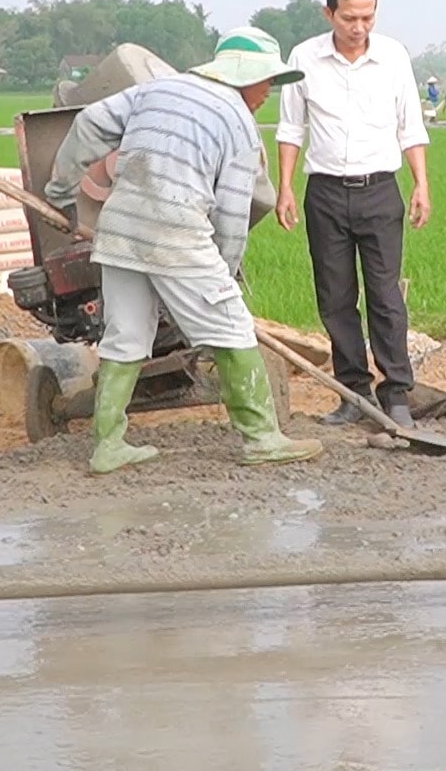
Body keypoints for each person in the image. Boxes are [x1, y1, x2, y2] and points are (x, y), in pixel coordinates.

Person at [44, 26, 324, 474]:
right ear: (243, 76)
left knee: (127, 335)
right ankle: (262, 437)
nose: (269, 92)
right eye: (267, 81)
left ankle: (108, 446)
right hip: (177, 231)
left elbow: (88, 124)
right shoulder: (239, 125)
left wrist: (59, 190)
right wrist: (225, 274)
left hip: (121, 228)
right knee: (231, 327)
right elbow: (232, 216)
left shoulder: (156, 89)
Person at [275, 0, 432, 428]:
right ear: (330, 14)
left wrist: (421, 183)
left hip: (380, 190)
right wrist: (285, 186)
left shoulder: (393, 58)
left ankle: (397, 393)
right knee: (336, 297)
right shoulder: (305, 58)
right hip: (324, 192)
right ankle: (353, 392)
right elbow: (290, 128)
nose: (359, 27)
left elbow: (411, 126)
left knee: (385, 295)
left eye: (367, 16)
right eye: (349, 17)